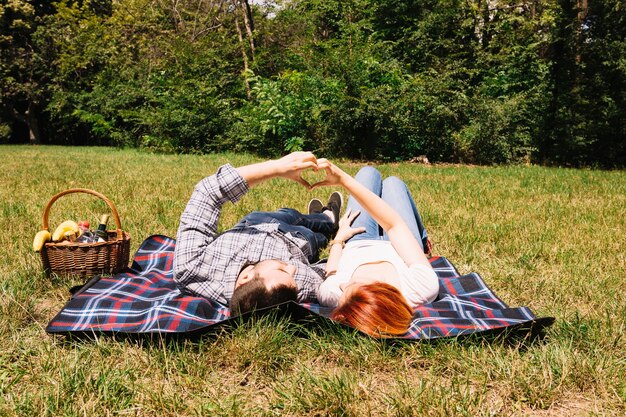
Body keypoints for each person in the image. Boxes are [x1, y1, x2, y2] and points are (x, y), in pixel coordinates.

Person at [173, 152, 342, 315]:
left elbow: (208, 192)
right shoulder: (298, 285)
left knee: (291, 214)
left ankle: (322, 218)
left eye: (282, 270)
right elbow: (327, 273)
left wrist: (277, 167)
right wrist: (339, 242)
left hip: (255, 224)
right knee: (314, 237)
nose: (293, 269)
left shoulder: (192, 267)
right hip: (296, 240)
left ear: (246, 277)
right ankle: (329, 220)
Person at [312, 160, 439, 337]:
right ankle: (423, 242)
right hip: (401, 246)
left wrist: (340, 237)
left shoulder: (334, 296)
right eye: (353, 284)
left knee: (367, 173)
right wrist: (343, 179)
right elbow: (394, 225)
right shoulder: (421, 288)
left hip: (359, 238)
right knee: (393, 184)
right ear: (382, 287)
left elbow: (331, 273)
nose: (343, 284)